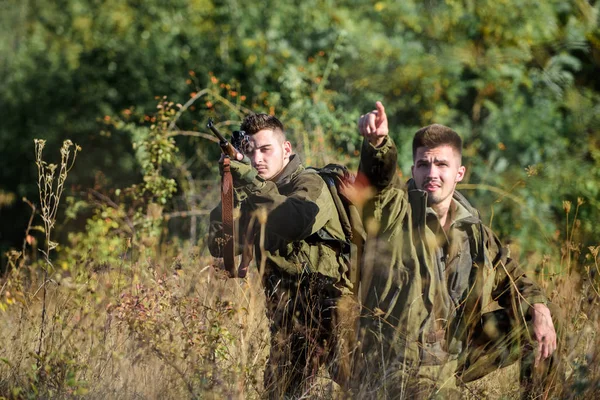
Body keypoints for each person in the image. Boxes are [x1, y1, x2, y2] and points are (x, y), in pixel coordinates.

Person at [353, 101, 558, 398]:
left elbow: (511, 276)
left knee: (546, 321)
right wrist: (377, 144)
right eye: (423, 164)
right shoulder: (394, 213)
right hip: (398, 366)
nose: (431, 173)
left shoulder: (472, 228)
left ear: (459, 172)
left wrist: (539, 307)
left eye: (441, 165)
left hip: (453, 355)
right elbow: (376, 185)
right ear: (413, 169)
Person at [208, 113, 355, 398]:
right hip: (288, 323)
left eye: (266, 149)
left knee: (370, 389)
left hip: (335, 312)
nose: (257, 159)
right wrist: (232, 187)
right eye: (251, 152)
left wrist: (249, 181)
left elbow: (294, 221)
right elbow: (219, 243)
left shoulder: (312, 184)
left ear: (286, 149)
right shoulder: (253, 193)